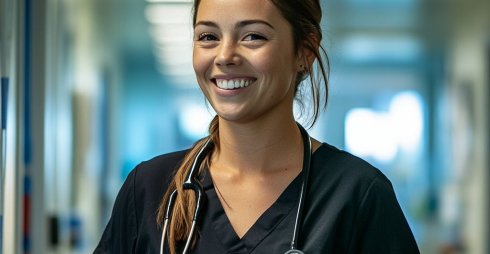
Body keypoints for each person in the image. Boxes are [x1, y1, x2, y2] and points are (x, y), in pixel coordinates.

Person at [95, 0, 420, 253]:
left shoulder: (357, 195)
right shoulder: (150, 189)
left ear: (304, 51)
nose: (225, 56)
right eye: (208, 36)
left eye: (253, 36)